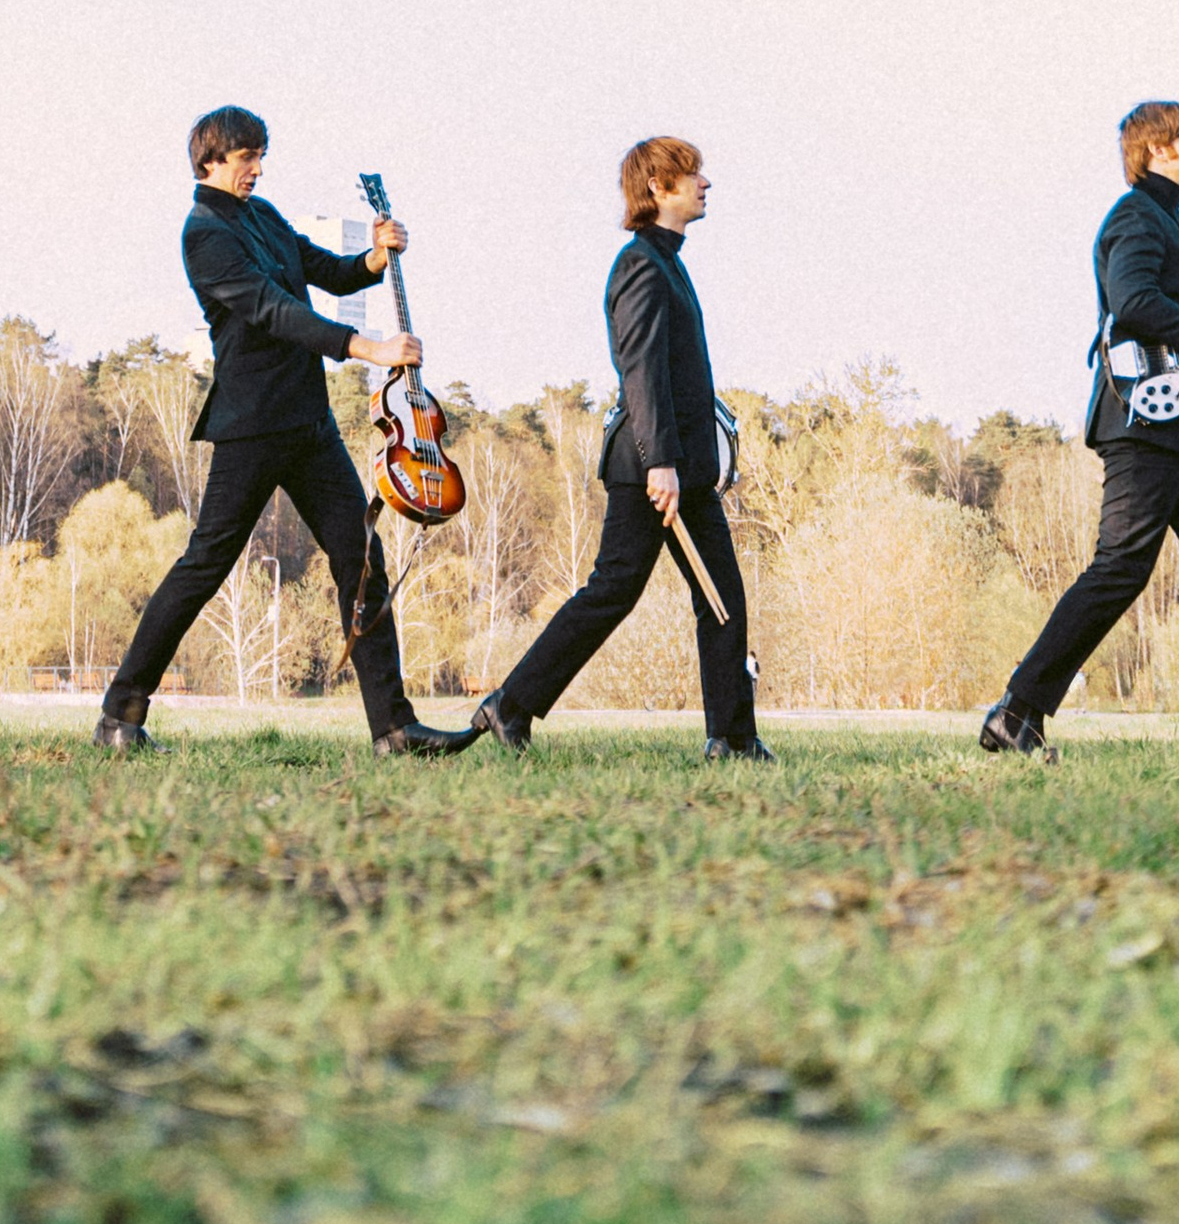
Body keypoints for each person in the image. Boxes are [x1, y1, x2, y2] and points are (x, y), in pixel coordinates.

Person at [94, 109, 473, 757]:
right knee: (204, 566)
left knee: (361, 559)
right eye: (247, 157)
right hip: (251, 426)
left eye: (261, 156)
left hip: (309, 421)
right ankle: (119, 716)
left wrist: (376, 257)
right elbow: (274, 311)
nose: (258, 169)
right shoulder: (203, 235)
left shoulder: (263, 215)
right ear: (211, 157)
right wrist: (365, 347)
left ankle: (394, 728)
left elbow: (328, 271)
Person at [982, 100, 1179, 757]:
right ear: (1157, 150)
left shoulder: (1167, 220)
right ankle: (1017, 711)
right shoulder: (1136, 218)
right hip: (1142, 429)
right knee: (1121, 568)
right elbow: (1131, 301)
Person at [469, 134, 768, 762]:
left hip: (681, 470)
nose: (706, 184)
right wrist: (661, 461)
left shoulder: (669, 261)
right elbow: (641, 370)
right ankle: (510, 704)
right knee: (614, 593)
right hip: (654, 470)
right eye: (694, 175)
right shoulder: (640, 264)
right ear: (658, 188)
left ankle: (731, 738)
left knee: (718, 597)